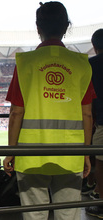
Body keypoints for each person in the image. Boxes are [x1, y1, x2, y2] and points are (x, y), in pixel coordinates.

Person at [3, 2, 94, 220]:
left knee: (34, 215)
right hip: (71, 155)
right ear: (65, 27)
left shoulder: (25, 63)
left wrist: (11, 151)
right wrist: (86, 153)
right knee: (68, 214)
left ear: (38, 28)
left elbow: (16, 112)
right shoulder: (81, 64)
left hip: (31, 155)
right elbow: (87, 114)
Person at [85, 29, 103, 218]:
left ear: (95, 46)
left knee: (100, 164)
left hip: (101, 121)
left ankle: (101, 203)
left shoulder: (91, 65)